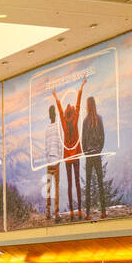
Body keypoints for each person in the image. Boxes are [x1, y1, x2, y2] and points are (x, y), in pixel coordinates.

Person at [51, 75, 87, 221]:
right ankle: (79, 211)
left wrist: (56, 97)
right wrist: (81, 87)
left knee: (71, 183)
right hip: (76, 155)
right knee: (78, 182)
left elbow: (59, 110)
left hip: (67, 157)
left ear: (66, 113)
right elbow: (78, 104)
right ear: (73, 111)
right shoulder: (76, 118)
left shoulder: (64, 121)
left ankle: (72, 212)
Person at [82, 95, 107, 219]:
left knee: (88, 184)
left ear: (87, 106)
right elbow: (103, 137)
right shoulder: (99, 119)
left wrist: (86, 153)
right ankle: (103, 212)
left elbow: (83, 141)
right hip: (96, 154)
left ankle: (87, 214)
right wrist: (99, 150)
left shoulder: (85, 121)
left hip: (89, 156)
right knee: (100, 182)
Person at [44, 104, 62, 222]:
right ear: (55, 114)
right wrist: (60, 157)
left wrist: (47, 158)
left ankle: (47, 212)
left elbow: (46, 146)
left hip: (49, 161)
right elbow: (60, 144)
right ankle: (56, 213)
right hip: (56, 160)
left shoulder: (46, 128)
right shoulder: (58, 127)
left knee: (49, 187)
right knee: (56, 187)